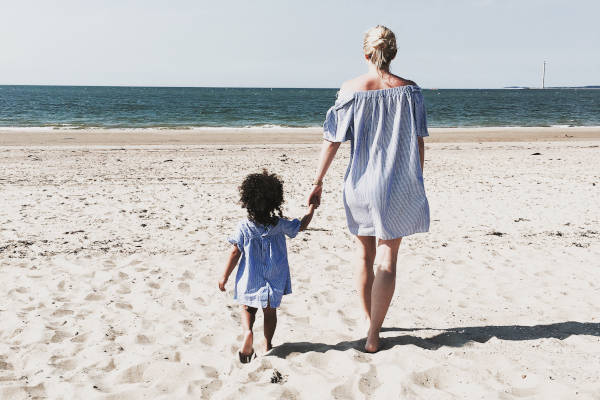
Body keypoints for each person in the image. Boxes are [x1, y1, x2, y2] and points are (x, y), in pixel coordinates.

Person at [307, 25, 430, 353]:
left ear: (366, 54)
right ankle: (374, 334)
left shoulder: (350, 90)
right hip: (400, 183)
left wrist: (317, 182)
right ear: (393, 53)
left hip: (360, 182)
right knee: (388, 259)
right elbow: (418, 143)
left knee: (365, 254)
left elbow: (332, 140)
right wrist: (417, 178)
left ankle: (367, 320)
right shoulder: (411, 91)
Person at [219, 170, 316, 363]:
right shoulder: (279, 224)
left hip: (250, 276)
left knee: (248, 307)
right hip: (274, 275)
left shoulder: (244, 226)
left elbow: (235, 252)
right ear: (274, 201)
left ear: (247, 201)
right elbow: (301, 226)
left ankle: (248, 332)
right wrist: (311, 208)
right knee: (270, 312)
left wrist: (225, 276)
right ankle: (268, 344)